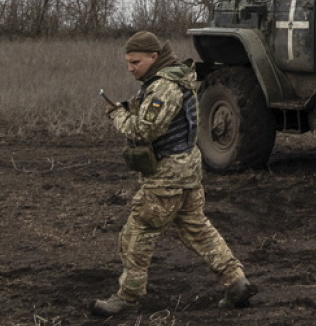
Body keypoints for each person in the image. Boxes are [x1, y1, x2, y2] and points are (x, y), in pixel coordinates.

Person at [92, 31, 257, 316]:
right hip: (187, 172)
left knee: (137, 233)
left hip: (167, 175)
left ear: (154, 57)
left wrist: (116, 114)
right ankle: (235, 281)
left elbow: (144, 130)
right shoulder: (174, 79)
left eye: (136, 62)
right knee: (198, 228)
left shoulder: (163, 87)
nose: (130, 68)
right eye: (128, 62)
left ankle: (127, 297)